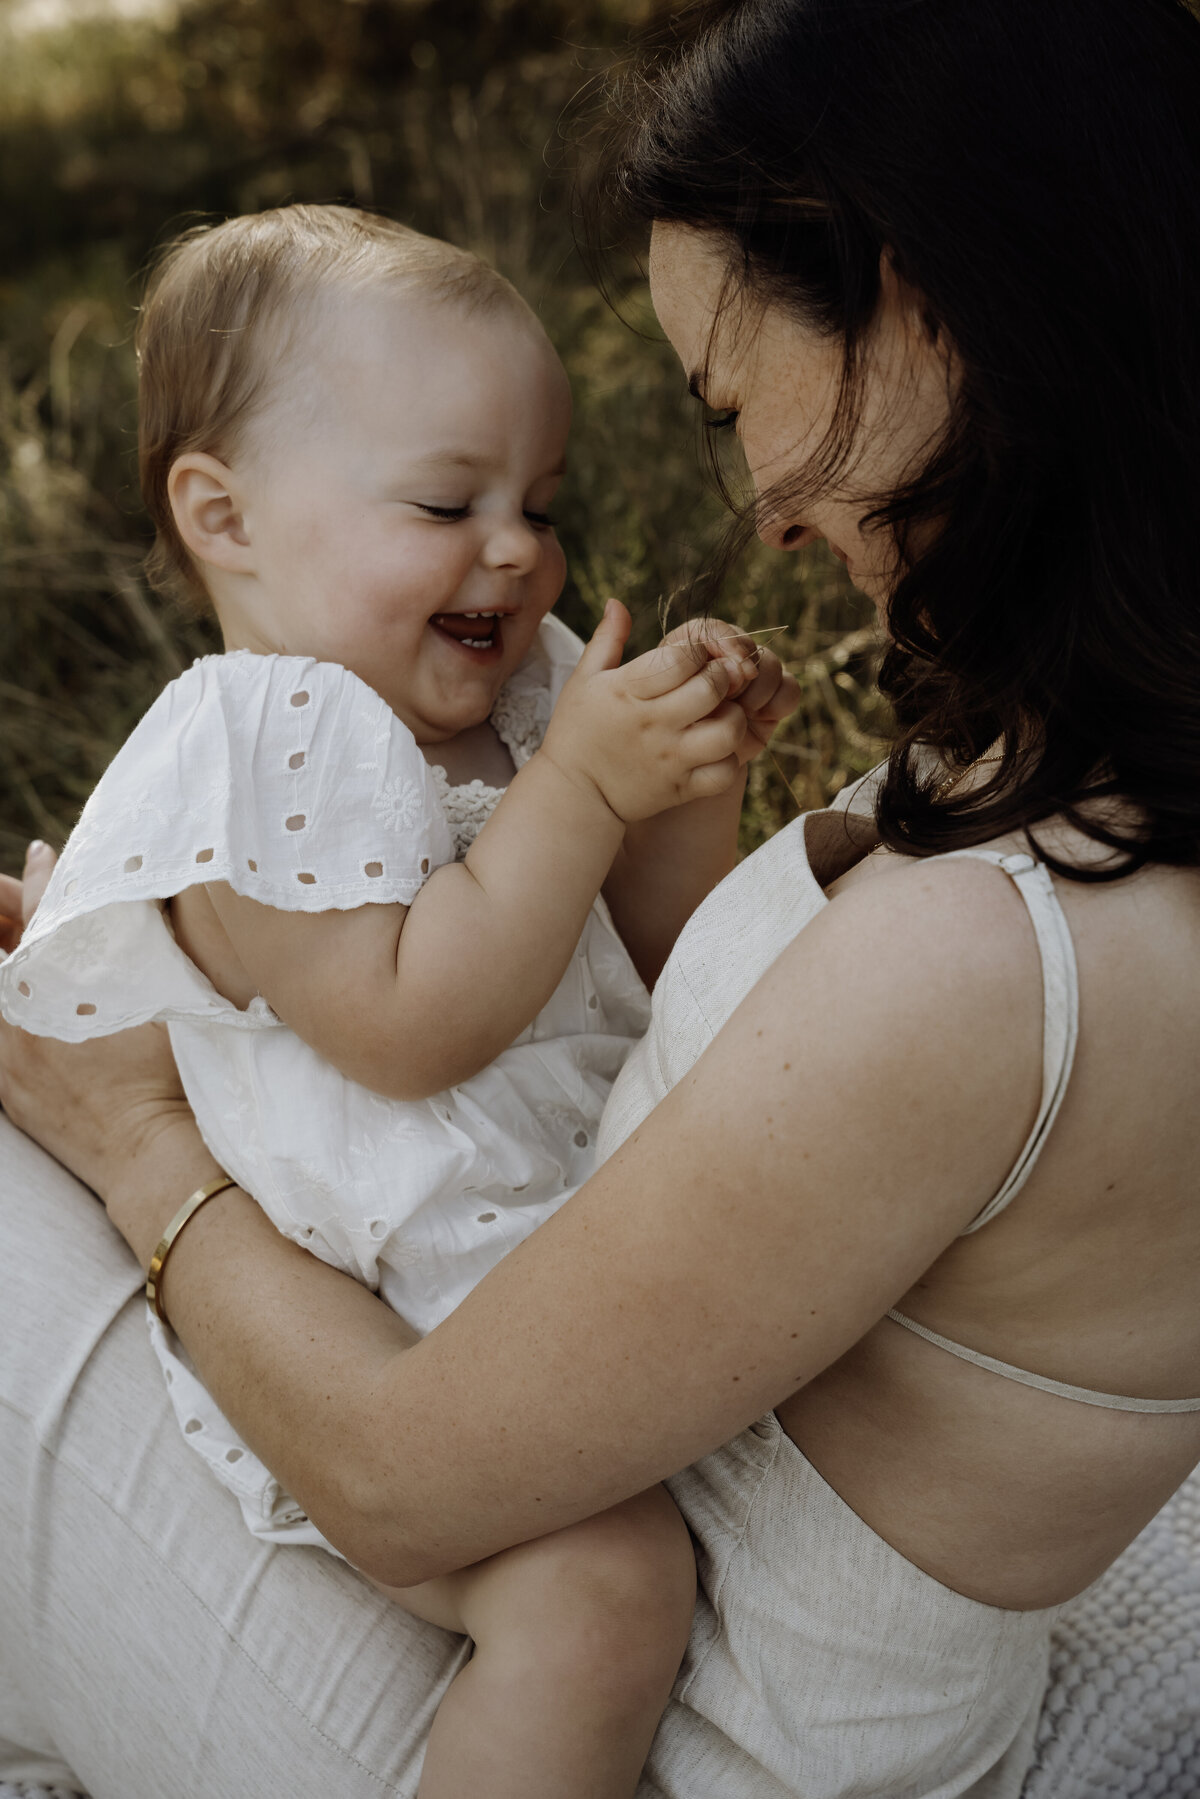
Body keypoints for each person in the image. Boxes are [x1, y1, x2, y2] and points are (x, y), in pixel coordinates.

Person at [2, 0, 1199, 1795]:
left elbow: (402, 1474)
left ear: (923, 311)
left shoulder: (997, 960)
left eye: (733, 400)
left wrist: (138, 1145)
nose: (762, 509)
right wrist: (670, 818)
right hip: (604, 1498)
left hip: (651, 1713)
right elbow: (684, 1018)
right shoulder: (1106, 781)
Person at [0, 204, 796, 1799]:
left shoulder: (527, 690)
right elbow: (410, 1023)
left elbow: (664, 959)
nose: (515, 550)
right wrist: (586, 790)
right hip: (391, 1331)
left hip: (570, 1276)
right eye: (446, 502)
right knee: (600, 1587)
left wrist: (683, 786)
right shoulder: (260, 734)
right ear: (225, 516)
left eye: (541, 505)